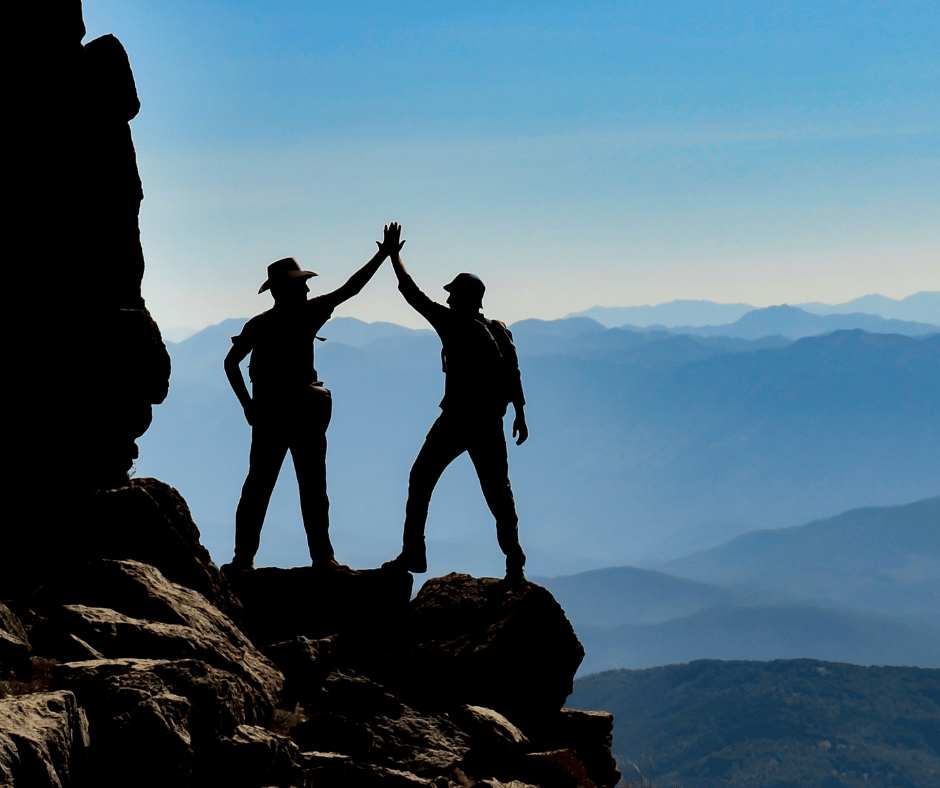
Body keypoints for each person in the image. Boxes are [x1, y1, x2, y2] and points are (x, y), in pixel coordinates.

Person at [222, 225, 402, 572]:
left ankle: (243, 559)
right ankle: (323, 558)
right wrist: (382, 254)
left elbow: (231, 363)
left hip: (270, 416)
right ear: (287, 288)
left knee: (258, 488)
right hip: (303, 414)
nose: (307, 288)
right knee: (312, 488)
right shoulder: (307, 314)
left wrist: (248, 405)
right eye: (301, 283)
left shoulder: (259, 324)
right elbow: (351, 289)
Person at [382, 222, 528, 580]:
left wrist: (394, 256)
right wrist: (520, 415)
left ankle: (413, 554)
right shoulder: (498, 329)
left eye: (451, 294)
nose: (446, 299)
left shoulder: (453, 324)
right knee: (498, 494)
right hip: (490, 422)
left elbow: (411, 292)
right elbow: (514, 374)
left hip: (458, 419)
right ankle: (515, 562)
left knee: (421, 478)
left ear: (463, 298)